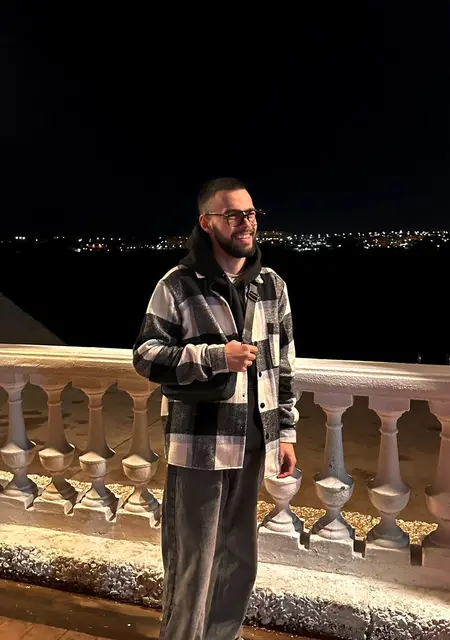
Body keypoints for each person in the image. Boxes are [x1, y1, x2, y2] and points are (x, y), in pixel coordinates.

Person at [133, 177, 299, 640]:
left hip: (255, 444)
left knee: (239, 560)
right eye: (233, 215)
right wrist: (213, 357)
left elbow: (284, 367)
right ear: (207, 223)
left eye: (250, 213)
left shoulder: (272, 286)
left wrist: (286, 434)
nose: (246, 223)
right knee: (193, 562)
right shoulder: (177, 285)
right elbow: (145, 356)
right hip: (198, 445)